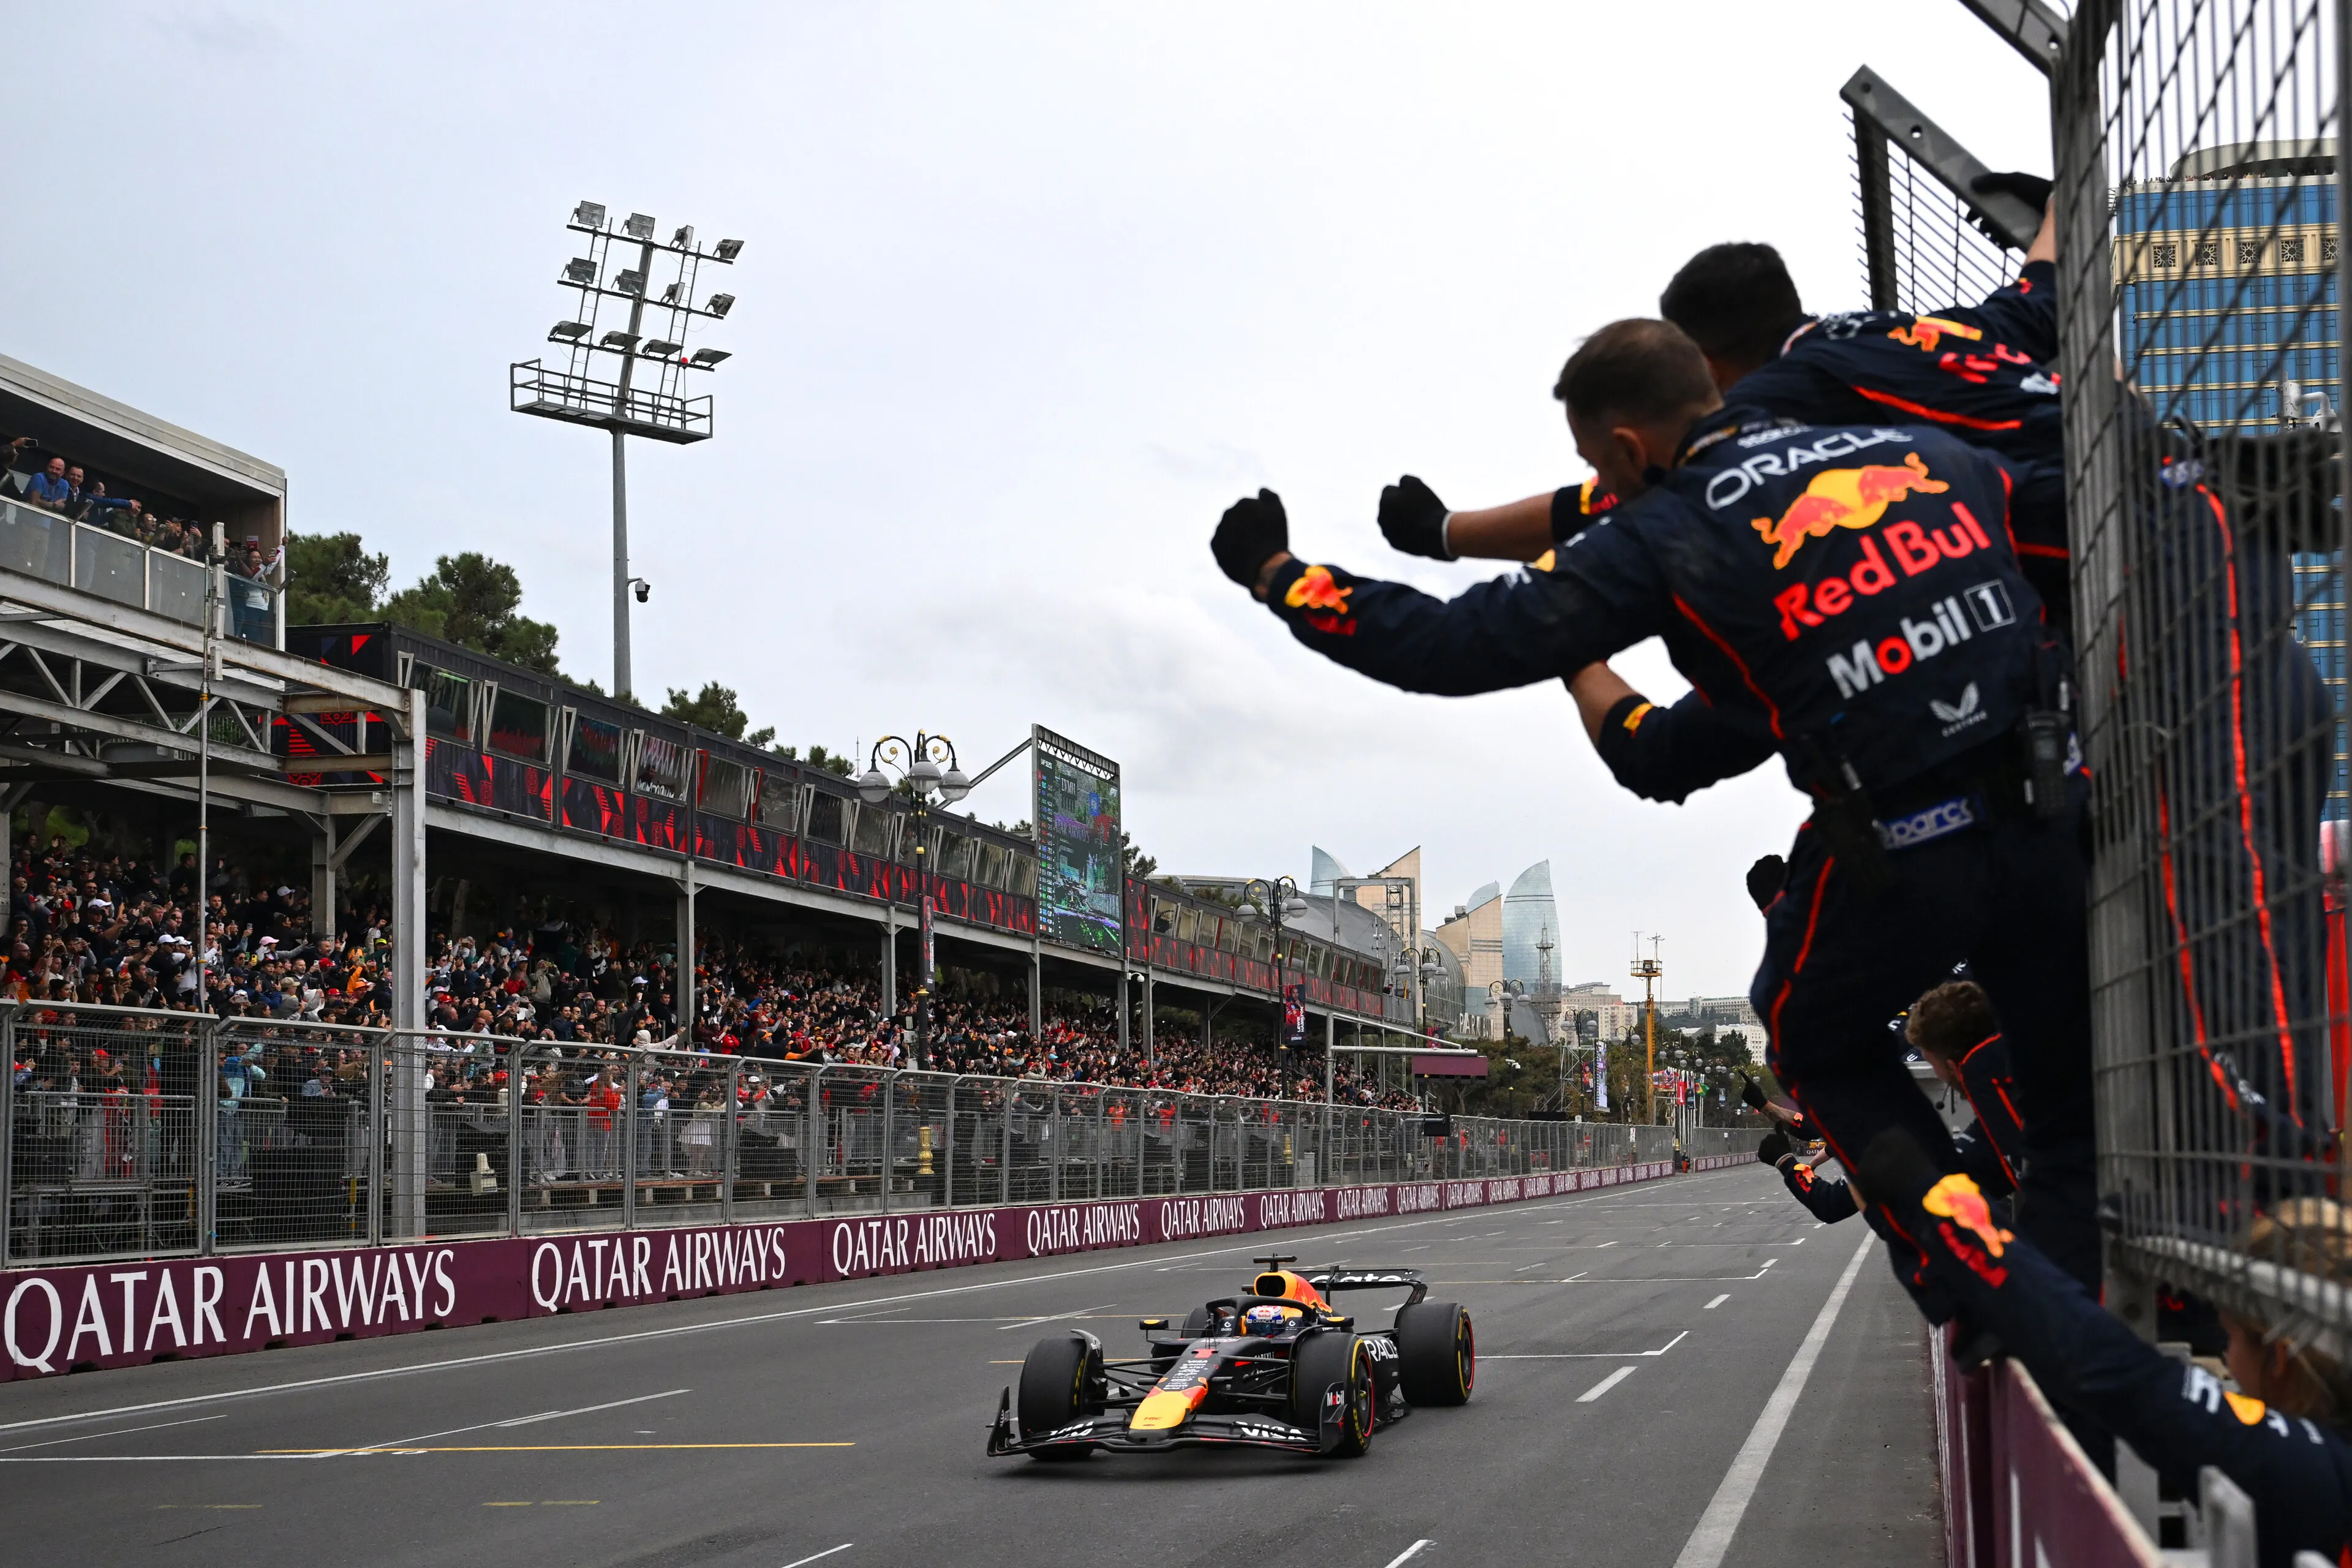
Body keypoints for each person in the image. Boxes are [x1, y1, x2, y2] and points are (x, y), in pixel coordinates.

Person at [1209, 315, 2097, 1298]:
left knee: (1803, 1031)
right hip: (2060, 810)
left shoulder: (1668, 531)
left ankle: (1967, 1272)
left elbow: (1451, 649)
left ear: (1626, 451)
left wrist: (1279, 576)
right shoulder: (1912, 447)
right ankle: (2067, 1309)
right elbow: (1685, 745)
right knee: (2062, 1127)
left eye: (1601, 464)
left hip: (1911, 835)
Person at [1860, 1128, 2352, 1568]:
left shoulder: (2305, 1469)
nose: (2226, 1357)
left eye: (2233, 1338)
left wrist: (1944, 1211)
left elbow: (2104, 1362)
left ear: (2282, 1356)